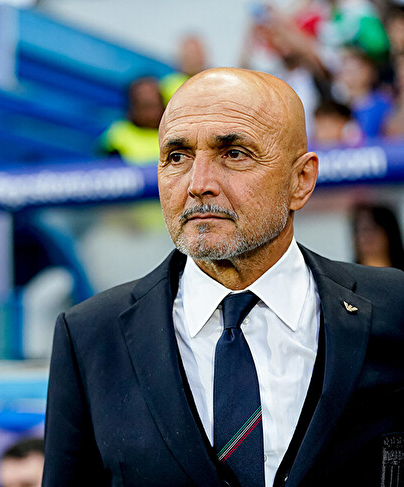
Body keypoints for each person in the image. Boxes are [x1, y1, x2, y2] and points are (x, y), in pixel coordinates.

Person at [43, 67, 404, 486]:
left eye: (233, 154)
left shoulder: (394, 308)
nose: (198, 184)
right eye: (177, 156)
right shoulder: (89, 337)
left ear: (301, 180)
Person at [99, 76, 164, 165]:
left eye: (155, 105)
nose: (152, 113)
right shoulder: (117, 135)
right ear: (132, 107)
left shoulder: (173, 131)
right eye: (145, 107)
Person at [352, 203, 404, 270]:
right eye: (359, 230)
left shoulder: (400, 273)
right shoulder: (346, 275)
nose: (366, 236)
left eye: (373, 228)